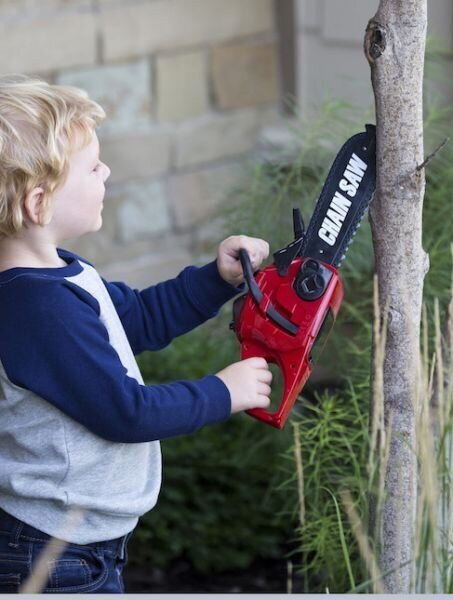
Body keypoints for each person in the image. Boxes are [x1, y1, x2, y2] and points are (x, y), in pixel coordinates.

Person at [0, 75, 272, 593]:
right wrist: (222, 392)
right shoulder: (35, 307)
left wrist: (216, 279)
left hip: (75, 546)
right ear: (39, 203)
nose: (107, 172)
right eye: (92, 166)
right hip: (53, 554)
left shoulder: (60, 274)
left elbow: (140, 319)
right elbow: (127, 413)